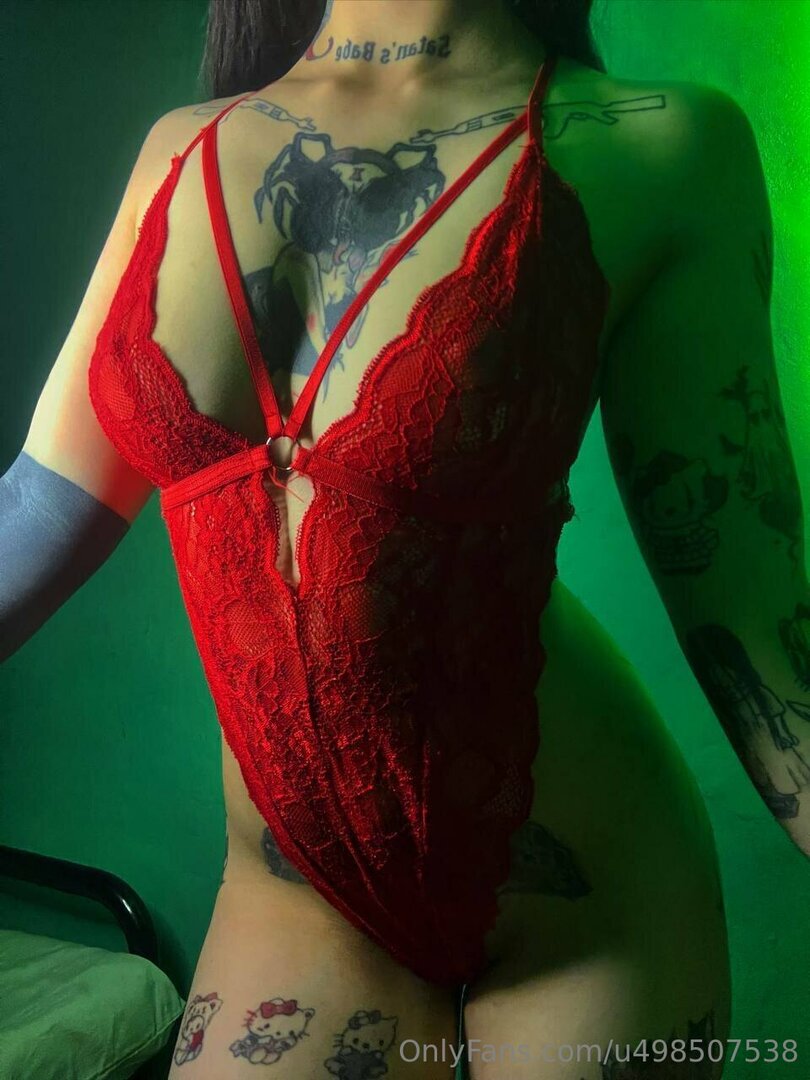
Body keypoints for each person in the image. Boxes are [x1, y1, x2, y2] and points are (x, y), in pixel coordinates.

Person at [2, 0, 808, 1076]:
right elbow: (36, 516)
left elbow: (759, 631)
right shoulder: (178, 150)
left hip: (582, 906)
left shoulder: (660, 144)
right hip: (300, 898)